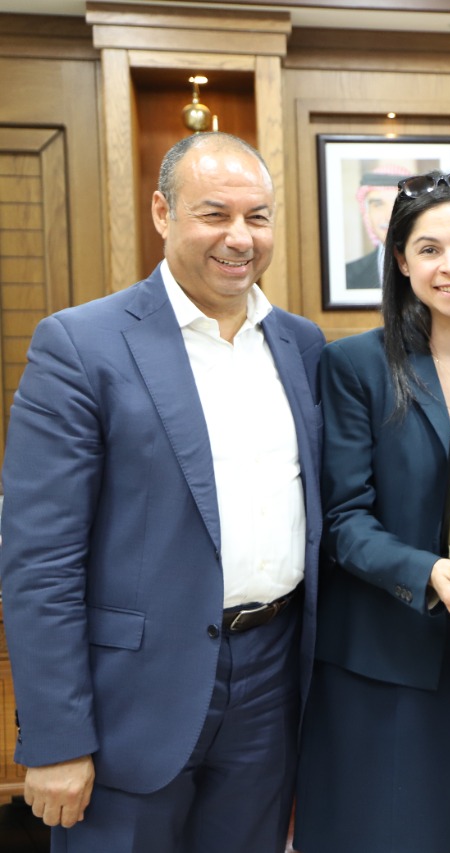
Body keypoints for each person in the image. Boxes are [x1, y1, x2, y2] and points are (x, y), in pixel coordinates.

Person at [0, 131, 325, 852]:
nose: (240, 237)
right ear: (162, 212)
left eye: (258, 216)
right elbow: (39, 561)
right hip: (131, 701)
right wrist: (56, 737)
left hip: (270, 681)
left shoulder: (302, 345)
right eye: (215, 214)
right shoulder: (80, 345)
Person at [293, 169, 450, 853]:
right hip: (384, 656)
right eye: (429, 250)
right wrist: (427, 571)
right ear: (402, 262)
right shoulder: (355, 366)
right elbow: (343, 520)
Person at [345, 165, 411, 290]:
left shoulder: (436, 267)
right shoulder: (348, 275)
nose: (388, 217)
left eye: (397, 205)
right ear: (367, 213)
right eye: (378, 205)